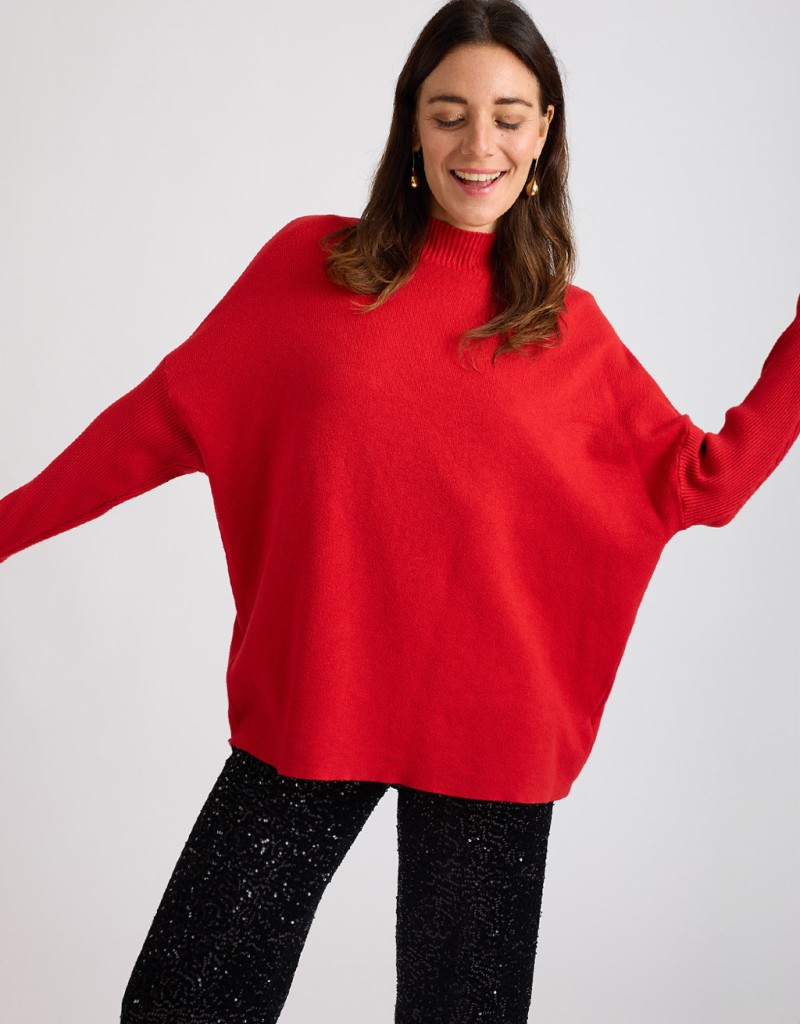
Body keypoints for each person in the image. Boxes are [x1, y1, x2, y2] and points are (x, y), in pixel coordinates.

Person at [1, 0, 798, 1021]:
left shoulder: (566, 333)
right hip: (318, 700)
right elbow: (156, 422)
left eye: (508, 117)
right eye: (449, 113)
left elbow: (703, 483)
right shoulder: (306, 267)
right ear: (410, 127)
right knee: (181, 1002)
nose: (479, 145)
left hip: (491, 733)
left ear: (543, 135)